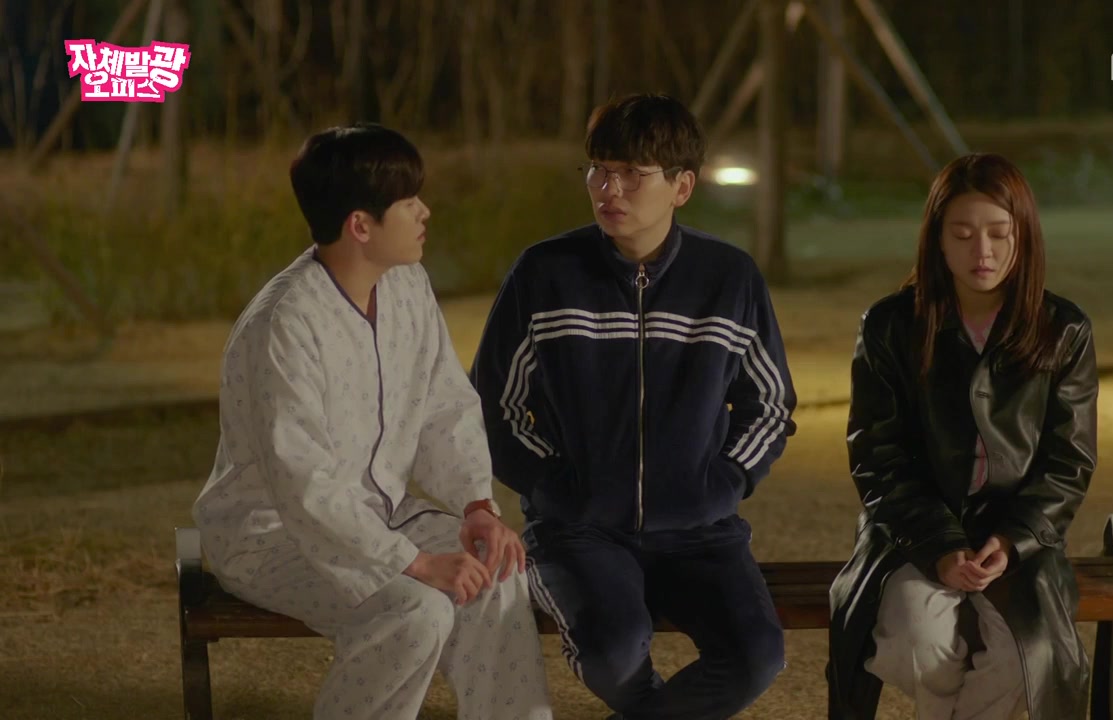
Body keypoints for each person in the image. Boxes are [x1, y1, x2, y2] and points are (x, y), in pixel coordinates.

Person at [192, 123, 554, 720]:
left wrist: (476, 506)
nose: (424, 211)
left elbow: (444, 404)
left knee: (497, 574)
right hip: (274, 536)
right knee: (416, 609)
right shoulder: (285, 323)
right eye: (408, 202)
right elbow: (305, 485)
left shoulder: (407, 284)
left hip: (383, 515)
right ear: (360, 225)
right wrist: (414, 563)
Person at [469, 93, 797, 720]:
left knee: (757, 655)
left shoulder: (728, 278)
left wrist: (724, 482)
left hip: (700, 531)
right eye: (599, 169)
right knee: (612, 653)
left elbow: (770, 404)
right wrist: (555, 486)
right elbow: (491, 406)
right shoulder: (545, 273)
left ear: (682, 186)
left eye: (632, 174)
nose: (608, 188)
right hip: (580, 529)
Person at [827, 153, 1099, 720]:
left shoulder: (1063, 329)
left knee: (1028, 656)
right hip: (911, 530)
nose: (983, 252)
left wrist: (1015, 538)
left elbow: (1068, 460)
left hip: (1018, 536)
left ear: (1024, 236)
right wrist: (939, 545)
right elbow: (878, 456)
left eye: (999, 233)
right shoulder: (890, 326)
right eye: (963, 234)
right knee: (918, 640)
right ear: (937, 240)